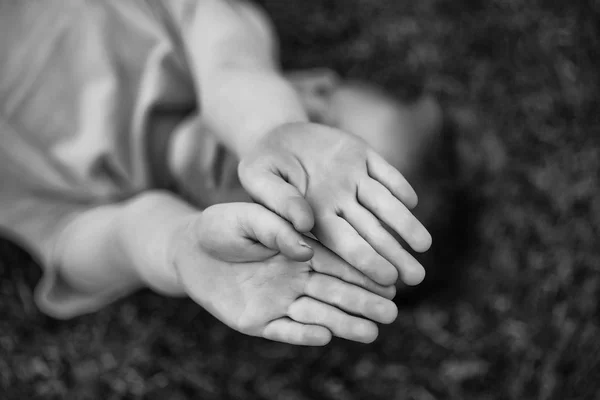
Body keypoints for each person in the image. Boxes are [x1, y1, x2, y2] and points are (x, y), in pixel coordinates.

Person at [0, 0, 440, 345]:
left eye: (301, 227)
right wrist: (270, 129)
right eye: (324, 136)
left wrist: (181, 246)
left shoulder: (103, 199)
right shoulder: (192, 27)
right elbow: (233, 70)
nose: (287, 192)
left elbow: (110, 241)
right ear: (312, 87)